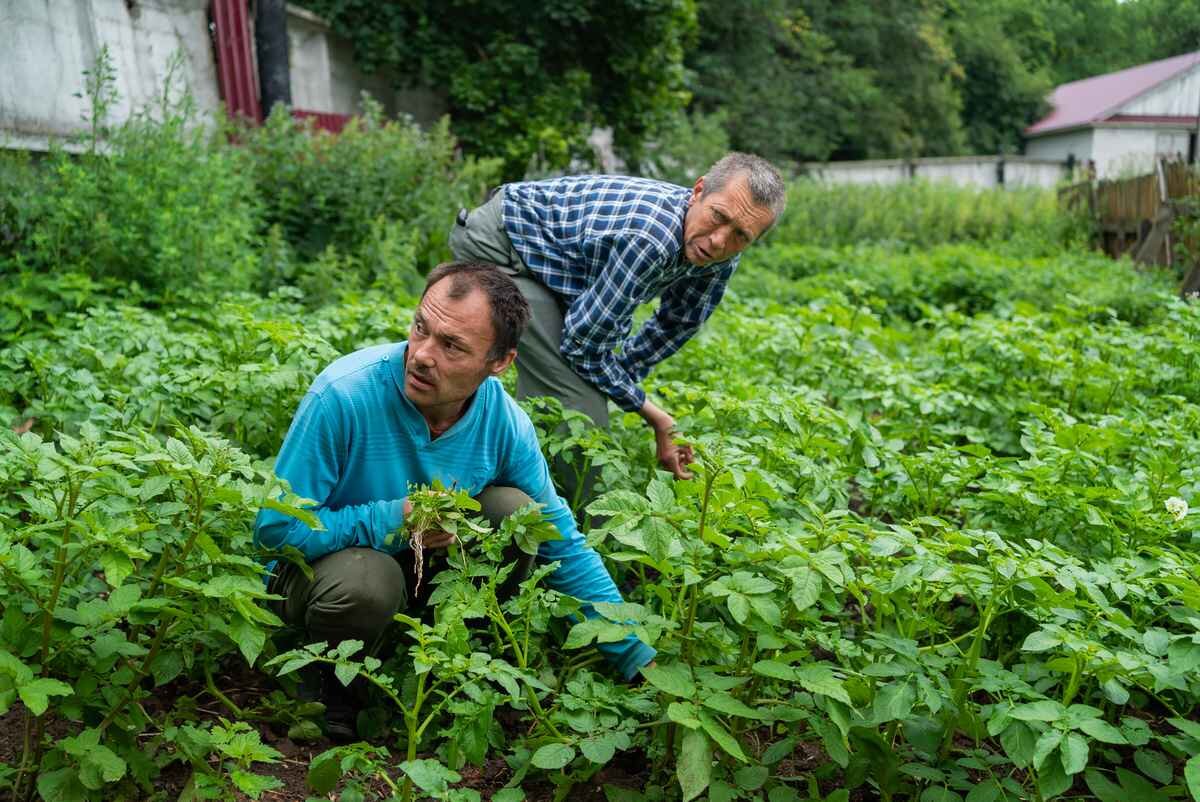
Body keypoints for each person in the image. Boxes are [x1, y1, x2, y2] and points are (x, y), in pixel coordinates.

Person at [254, 262, 656, 740]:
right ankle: (331, 688)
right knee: (368, 580)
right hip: (323, 576)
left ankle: (457, 658)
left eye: (452, 346)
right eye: (422, 328)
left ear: (499, 363)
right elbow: (275, 532)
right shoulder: (344, 396)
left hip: (425, 574)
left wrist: (638, 658)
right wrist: (394, 520)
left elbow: (561, 542)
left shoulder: (504, 424)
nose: (422, 355)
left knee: (516, 512)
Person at [448, 152, 786, 505]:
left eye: (740, 235)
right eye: (719, 216)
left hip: (555, 265)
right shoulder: (651, 239)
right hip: (500, 244)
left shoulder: (722, 257)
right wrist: (655, 415)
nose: (719, 241)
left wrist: (619, 379)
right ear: (698, 191)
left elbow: (679, 321)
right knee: (579, 408)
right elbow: (582, 345)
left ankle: (508, 476)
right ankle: (578, 531)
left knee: (575, 390)